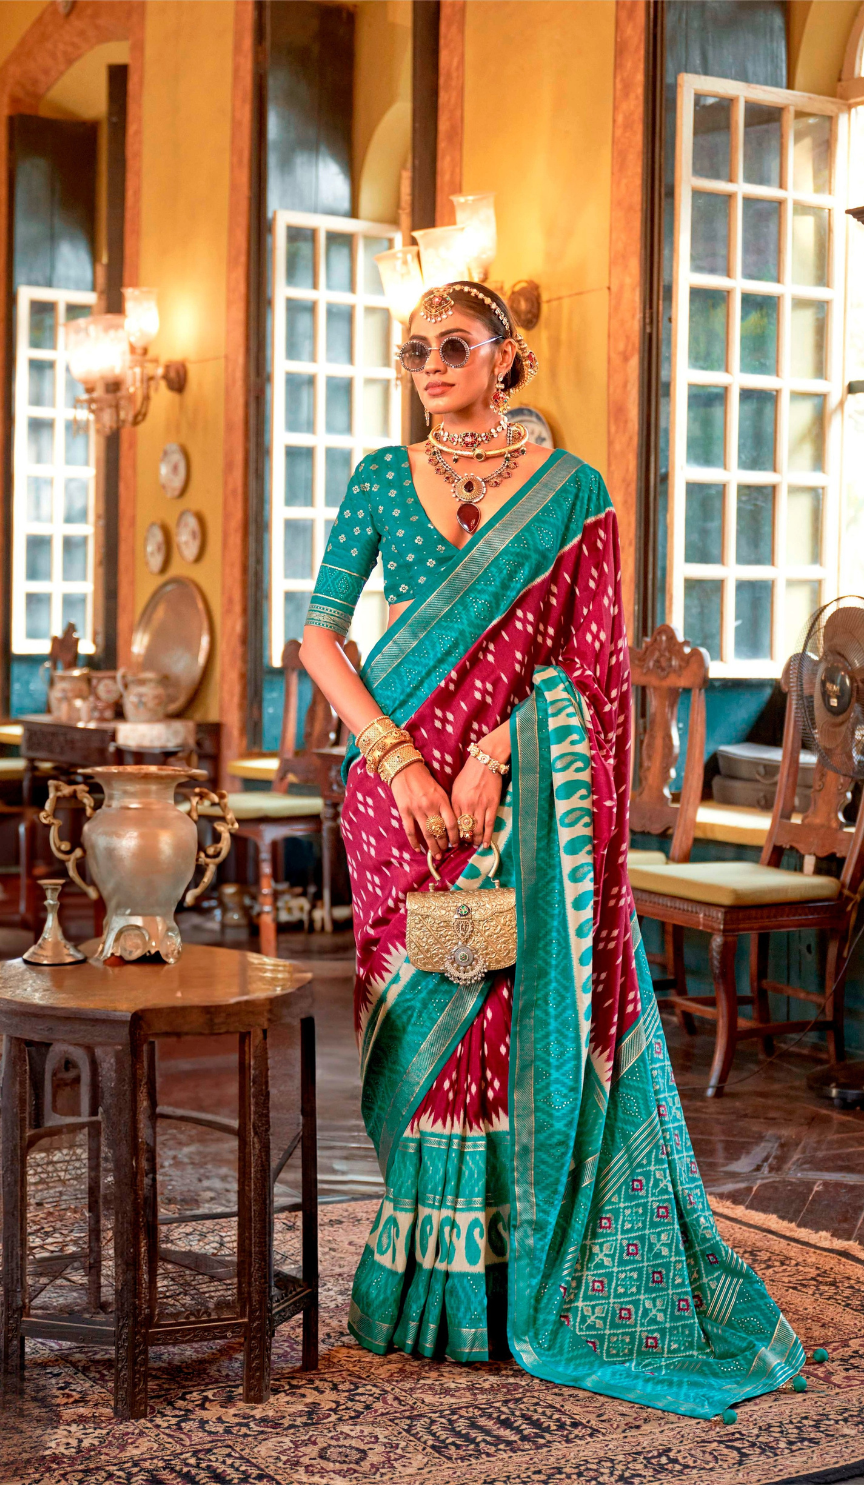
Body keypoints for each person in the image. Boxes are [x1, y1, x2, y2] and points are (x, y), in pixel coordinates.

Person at [298, 281, 803, 1419]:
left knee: (498, 1029)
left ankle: (499, 1285)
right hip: (394, 800)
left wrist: (496, 754)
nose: (432, 365)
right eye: (415, 349)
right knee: (423, 1038)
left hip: (517, 801)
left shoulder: (572, 492)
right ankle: (420, 1290)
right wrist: (395, 756)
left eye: (455, 345)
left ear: (507, 356)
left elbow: (588, 667)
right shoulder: (380, 477)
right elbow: (320, 635)